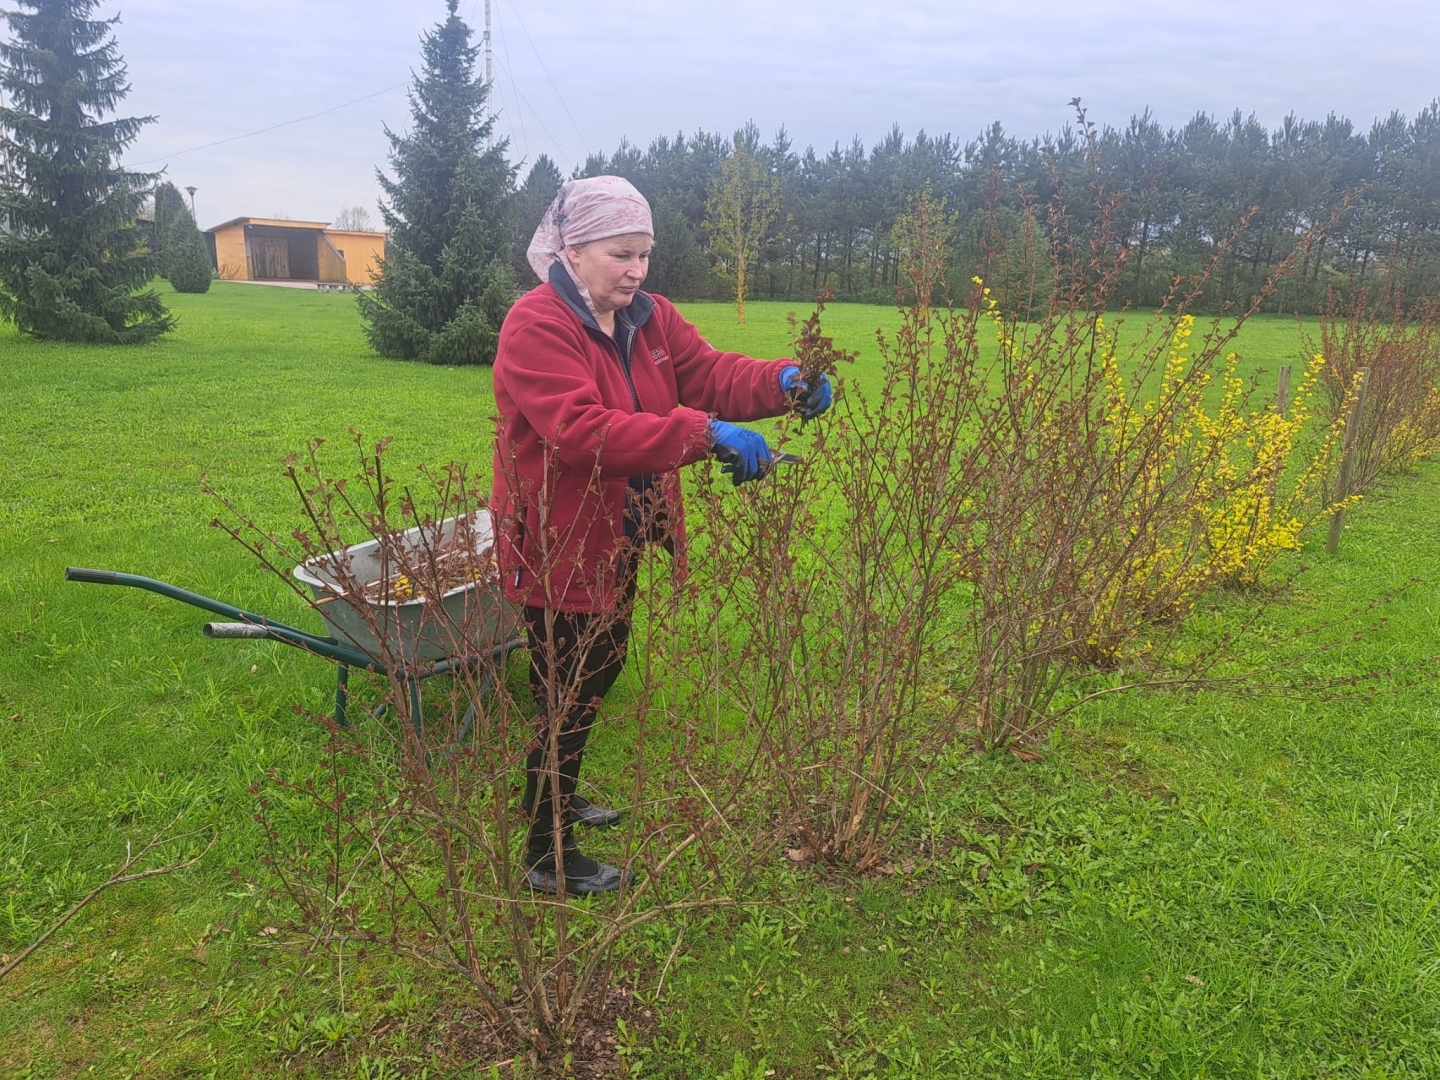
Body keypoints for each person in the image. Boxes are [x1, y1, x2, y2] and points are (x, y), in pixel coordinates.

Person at [490, 176, 832, 894]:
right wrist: (703, 435)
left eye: (645, 254)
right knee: (570, 684)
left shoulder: (648, 317)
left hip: (620, 530)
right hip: (561, 534)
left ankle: (550, 792)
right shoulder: (536, 324)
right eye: (622, 254)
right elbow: (580, 431)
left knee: (596, 670)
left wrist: (784, 382)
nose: (637, 270)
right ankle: (546, 853)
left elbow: (708, 372)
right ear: (573, 249)